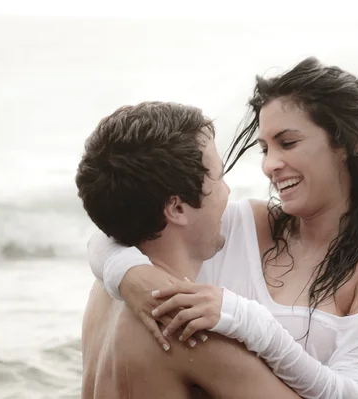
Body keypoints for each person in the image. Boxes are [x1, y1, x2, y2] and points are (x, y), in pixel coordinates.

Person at [87, 57, 358, 398]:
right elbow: (130, 214)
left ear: (350, 142)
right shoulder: (242, 225)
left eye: (288, 143)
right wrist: (130, 276)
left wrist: (249, 322)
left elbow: (350, 396)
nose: (270, 165)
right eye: (265, 148)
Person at [76, 102, 301, 399]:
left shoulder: (105, 291)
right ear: (178, 208)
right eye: (218, 178)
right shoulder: (188, 330)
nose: (227, 191)